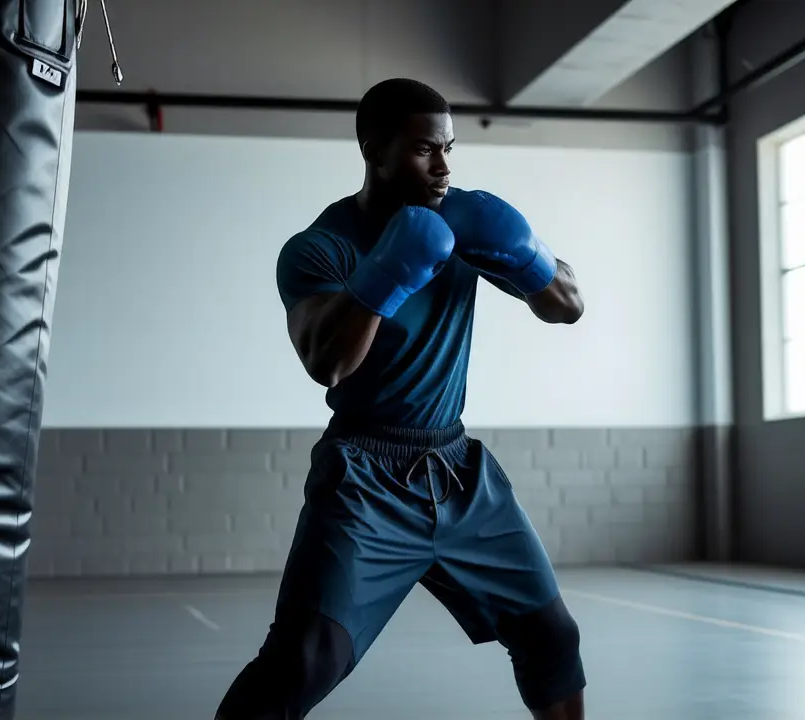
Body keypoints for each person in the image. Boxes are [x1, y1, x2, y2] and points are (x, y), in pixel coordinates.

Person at [214, 78, 587, 720]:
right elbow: (327, 362)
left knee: (552, 638)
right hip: (364, 479)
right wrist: (387, 272)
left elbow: (568, 307)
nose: (443, 167)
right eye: (423, 150)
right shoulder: (319, 248)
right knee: (305, 660)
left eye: (448, 149)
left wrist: (525, 254)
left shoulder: (467, 224)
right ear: (373, 149)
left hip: (459, 471)